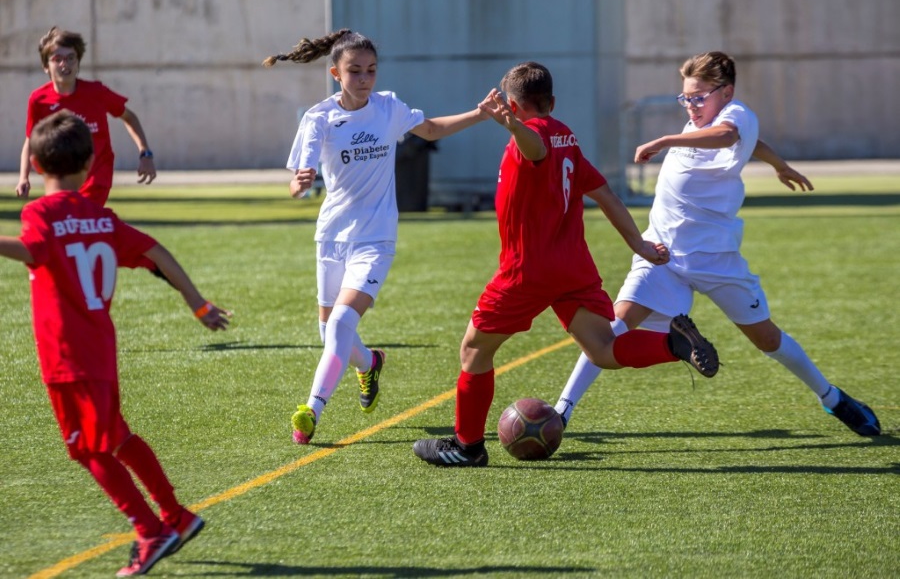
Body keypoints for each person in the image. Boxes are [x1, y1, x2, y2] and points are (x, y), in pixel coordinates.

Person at [553, 51, 880, 437]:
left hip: (715, 260)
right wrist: (779, 164)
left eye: (699, 96)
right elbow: (751, 144)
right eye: (685, 98)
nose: (690, 105)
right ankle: (561, 412)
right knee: (612, 330)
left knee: (768, 340)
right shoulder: (701, 120)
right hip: (660, 256)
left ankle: (833, 398)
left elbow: (731, 136)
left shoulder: (735, 116)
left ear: (726, 92)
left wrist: (664, 139)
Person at [412, 62, 720, 468]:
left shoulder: (535, 134)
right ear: (552, 101)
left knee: (473, 350)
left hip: (528, 271)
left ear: (513, 105)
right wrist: (639, 244)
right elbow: (606, 194)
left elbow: (534, 148)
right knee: (603, 349)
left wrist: (514, 127)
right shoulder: (566, 136)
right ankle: (672, 343)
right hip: (573, 266)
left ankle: (468, 447)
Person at [0, 111, 230, 576]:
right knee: (118, 437)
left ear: (40, 167)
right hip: (100, 351)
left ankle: (150, 532)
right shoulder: (101, 217)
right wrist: (198, 304)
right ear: (89, 164)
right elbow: (156, 252)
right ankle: (177, 517)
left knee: (88, 450)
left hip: (67, 356)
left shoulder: (39, 212)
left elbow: (32, 250)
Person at [263, 29, 492, 444]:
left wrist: (480, 114)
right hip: (332, 236)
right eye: (355, 71)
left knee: (340, 324)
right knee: (329, 332)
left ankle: (311, 410)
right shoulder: (318, 118)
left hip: (376, 238)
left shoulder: (388, 108)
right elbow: (298, 182)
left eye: (371, 70)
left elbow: (432, 129)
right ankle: (369, 363)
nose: (365, 78)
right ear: (335, 73)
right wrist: (299, 184)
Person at [17, 26, 157, 206]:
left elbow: (130, 117)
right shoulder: (39, 100)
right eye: (57, 59)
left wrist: (145, 154)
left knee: (78, 222)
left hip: (96, 180)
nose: (64, 64)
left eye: (70, 58)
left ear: (78, 62)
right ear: (46, 66)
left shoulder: (96, 93)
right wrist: (23, 177)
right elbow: (30, 140)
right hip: (60, 180)